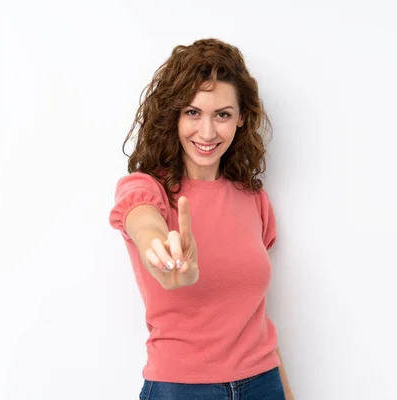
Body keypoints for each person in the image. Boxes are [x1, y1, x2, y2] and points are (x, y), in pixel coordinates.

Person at [109, 38, 294, 400]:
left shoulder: (253, 200)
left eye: (222, 114)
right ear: (173, 115)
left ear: (241, 119)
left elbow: (256, 316)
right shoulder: (146, 188)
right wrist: (164, 256)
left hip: (263, 382)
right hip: (181, 389)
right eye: (193, 113)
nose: (207, 133)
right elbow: (146, 226)